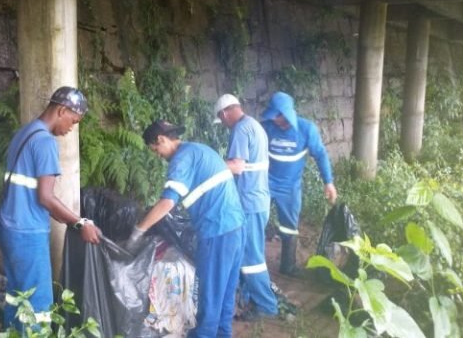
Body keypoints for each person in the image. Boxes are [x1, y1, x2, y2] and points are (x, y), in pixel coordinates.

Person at [125, 120, 245, 337]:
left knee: (208, 298)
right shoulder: (200, 150)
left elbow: (167, 203)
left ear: (161, 139)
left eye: (155, 149)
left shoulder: (181, 159)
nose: (157, 155)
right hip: (236, 228)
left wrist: (138, 230)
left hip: (216, 231)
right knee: (225, 296)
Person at [0, 86, 102, 331]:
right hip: (28, 232)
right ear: (62, 110)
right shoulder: (44, 142)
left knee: (17, 296)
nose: (70, 129)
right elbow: (45, 197)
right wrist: (80, 223)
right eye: (73, 121)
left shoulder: (24, 133)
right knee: (38, 304)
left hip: (9, 227)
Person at [213, 94, 278, 321]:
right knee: (247, 252)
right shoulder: (255, 126)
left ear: (224, 114)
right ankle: (249, 299)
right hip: (259, 200)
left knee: (251, 257)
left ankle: (267, 305)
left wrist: (210, 165)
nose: (223, 125)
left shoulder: (240, 129)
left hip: (250, 202)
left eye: (221, 120)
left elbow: (237, 166)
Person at [261, 91, 337, 276]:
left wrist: (329, 182)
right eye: (273, 116)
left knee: (289, 226)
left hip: (290, 187)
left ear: (287, 114)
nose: (276, 120)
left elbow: (320, 155)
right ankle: (252, 264)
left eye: (278, 116)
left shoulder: (306, 130)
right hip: (265, 183)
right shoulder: (266, 128)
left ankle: (288, 266)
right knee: (256, 221)